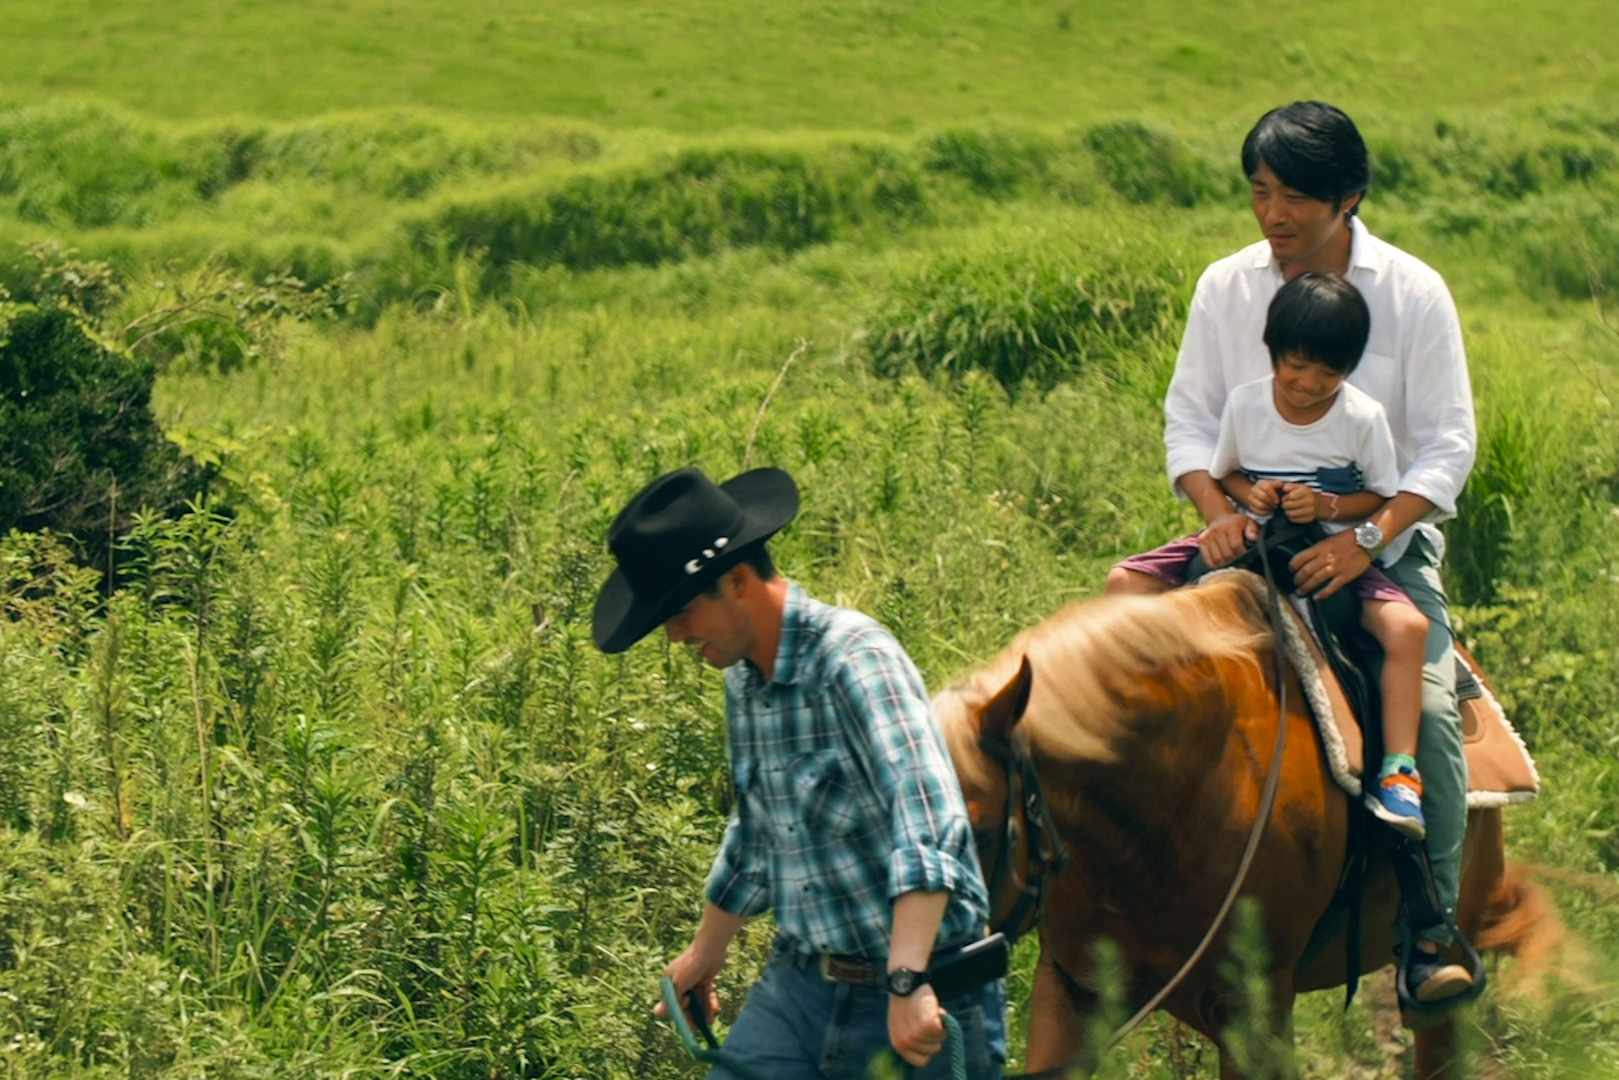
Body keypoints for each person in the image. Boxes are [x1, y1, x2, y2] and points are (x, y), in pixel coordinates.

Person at [1106, 101, 1477, 1003]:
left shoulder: (1414, 293)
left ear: (1349, 199)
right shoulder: (1224, 286)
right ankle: (1100, 877)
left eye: (1295, 199)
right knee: (1109, 644)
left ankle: (1432, 926)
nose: (1273, 216)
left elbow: (1446, 446)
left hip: (1373, 542)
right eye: (1259, 193)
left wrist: (1366, 539)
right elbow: (1189, 420)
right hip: (1243, 532)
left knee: (1424, 711)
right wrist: (1212, 511)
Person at [592, 466, 1005, 1080]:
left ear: (735, 581)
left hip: (921, 987)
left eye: (679, 614)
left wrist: (907, 978)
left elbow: (928, 820)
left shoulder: (856, 660)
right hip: (802, 987)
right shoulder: (742, 679)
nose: (676, 637)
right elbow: (758, 828)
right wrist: (706, 953)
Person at [1116, 273, 1438, 843]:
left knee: (1408, 628)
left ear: (1349, 370)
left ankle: (1399, 771)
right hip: (1253, 535)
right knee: (1123, 584)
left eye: (1328, 373)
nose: (1310, 384)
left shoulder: (1362, 419)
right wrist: (1247, 497)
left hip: (1326, 545)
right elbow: (1229, 472)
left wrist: (1327, 505)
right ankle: (1119, 723)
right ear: (1273, 352)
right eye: (1297, 365)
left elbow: (1382, 496)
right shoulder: (1246, 404)